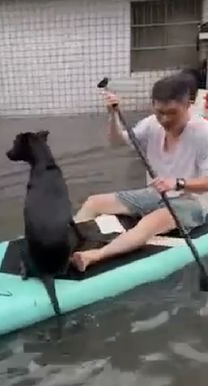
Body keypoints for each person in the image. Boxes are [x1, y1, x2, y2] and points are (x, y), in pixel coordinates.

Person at [71, 73, 208, 272]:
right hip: (155, 194)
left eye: (171, 113)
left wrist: (177, 183)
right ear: (153, 104)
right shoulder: (152, 123)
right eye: (159, 111)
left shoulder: (203, 133)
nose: (164, 119)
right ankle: (67, 241)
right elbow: (117, 142)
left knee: (149, 222)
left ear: (189, 104)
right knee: (94, 202)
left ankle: (94, 256)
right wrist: (113, 116)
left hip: (193, 201)